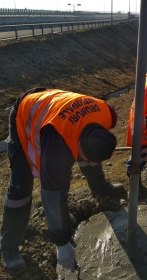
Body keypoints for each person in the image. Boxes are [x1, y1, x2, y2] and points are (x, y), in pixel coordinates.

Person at [0, 87, 124, 276]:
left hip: (53, 103)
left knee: (90, 156)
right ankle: (9, 246)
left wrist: (91, 157)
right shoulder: (58, 146)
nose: (88, 163)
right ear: (77, 144)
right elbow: (53, 196)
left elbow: (93, 145)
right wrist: (63, 245)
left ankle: (100, 189)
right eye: (85, 157)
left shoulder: (107, 113)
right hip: (25, 115)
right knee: (21, 185)